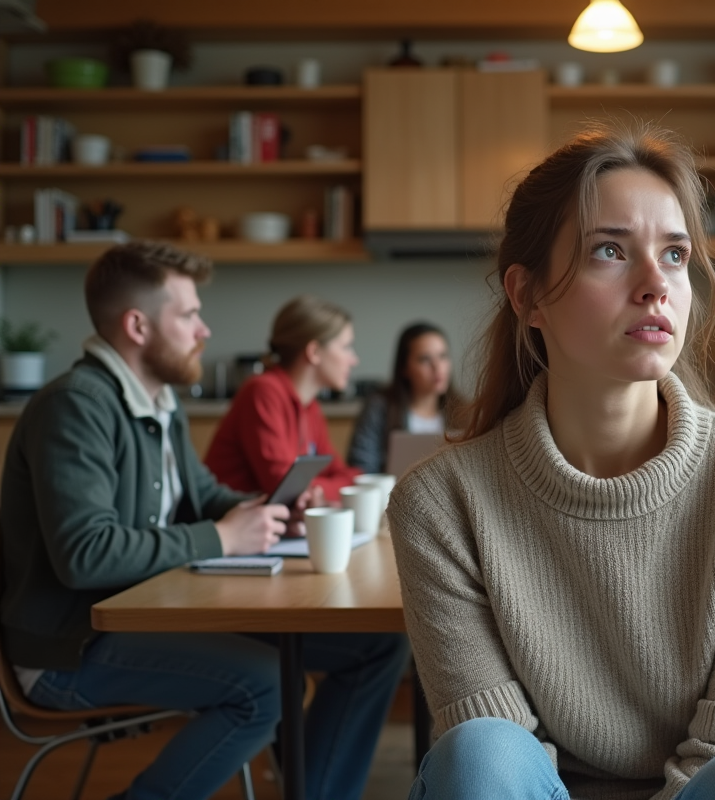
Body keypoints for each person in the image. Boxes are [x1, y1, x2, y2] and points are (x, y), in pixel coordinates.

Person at [387, 123, 715, 800]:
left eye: (674, 255)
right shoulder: (442, 501)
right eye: (610, 251)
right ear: (527, 296)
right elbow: (495, 754)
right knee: (480, 754)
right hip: (530, 787)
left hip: (700, 790)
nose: (656, 285)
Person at [0, 241, 409, 800]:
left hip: (149, 611)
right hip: (71, 645)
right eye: (190, 314)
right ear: (138, 326)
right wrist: (222, 535)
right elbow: (84, 553)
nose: (204, 330)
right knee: (266, 685)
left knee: (378, 646)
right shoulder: (76, 406)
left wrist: (260, 513)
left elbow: (202, 495)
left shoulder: (158, 401)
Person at [205, 295, 362, 500]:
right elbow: (286, 487)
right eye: (345, 347)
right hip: (232, 523)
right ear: (314, 352)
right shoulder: (263, 392)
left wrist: (319, 490)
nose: (354, 360)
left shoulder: (309, 405)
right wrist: (331, 489)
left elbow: (342, 473)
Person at [347, 322, 462, 474]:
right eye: (424, 359)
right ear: (405, 368)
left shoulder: (464, 412)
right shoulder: (379, 408)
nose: (438, 367)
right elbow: (361, 466)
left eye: (443, 356)